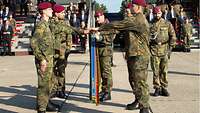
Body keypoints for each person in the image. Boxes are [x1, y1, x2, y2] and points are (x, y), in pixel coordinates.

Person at [92, 0, 151, 112]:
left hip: (140, 55)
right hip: (133, 54)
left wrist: (99, 28)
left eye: (133, 6)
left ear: (138, 7)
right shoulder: (134, 19)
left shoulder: (137, 20)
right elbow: (118, 30)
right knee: (133, 80)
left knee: (140, 82)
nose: (131, 7)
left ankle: (145, 108)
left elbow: (117, 24)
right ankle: (138, 100)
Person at [30, 2, 59, 113]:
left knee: (49, 83)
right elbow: (33, 42)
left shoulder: (47, 24)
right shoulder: (41, 25)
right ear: (44, 11)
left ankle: (45, 103)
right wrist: (41, 58)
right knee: (43, 85)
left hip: (49, 59)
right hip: (44, 61)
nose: (52, 11)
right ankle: (41, 109)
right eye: (50, 10)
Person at [149, 6, 176, 97]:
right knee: (156, 71)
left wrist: (170, 49)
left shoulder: (167, 24)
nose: (157, 15)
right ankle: (157, 88)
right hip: (154, 51)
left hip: (164, 50)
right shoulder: (150, 24)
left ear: (162, 13)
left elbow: (173, 36)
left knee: (164, 71)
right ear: (153, 14)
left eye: (159, 13)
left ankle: (164, 87)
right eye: (155, 13)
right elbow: (146, 38)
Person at [50, 4, 73, 99]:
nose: (64, 14)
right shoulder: (51, 22)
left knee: (61, 70)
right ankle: (54, 89)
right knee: (52, 70)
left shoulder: (66, 22)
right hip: (53, 49)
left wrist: (68, 48)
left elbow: (69, 35)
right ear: (56, 13)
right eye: (62, 12)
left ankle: (61, 90)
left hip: (63, 48)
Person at [93, 11, 117, 102]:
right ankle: (103, 90)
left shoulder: (109, 25)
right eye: (96, 17)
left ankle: (108, 92)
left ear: (103, 16)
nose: (97, 19)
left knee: (106, 72)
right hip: (99, 51)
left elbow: (110, 39)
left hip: (106, 52)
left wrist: (100, 38)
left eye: (98, 17)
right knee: (101, 72)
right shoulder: (99, 26)